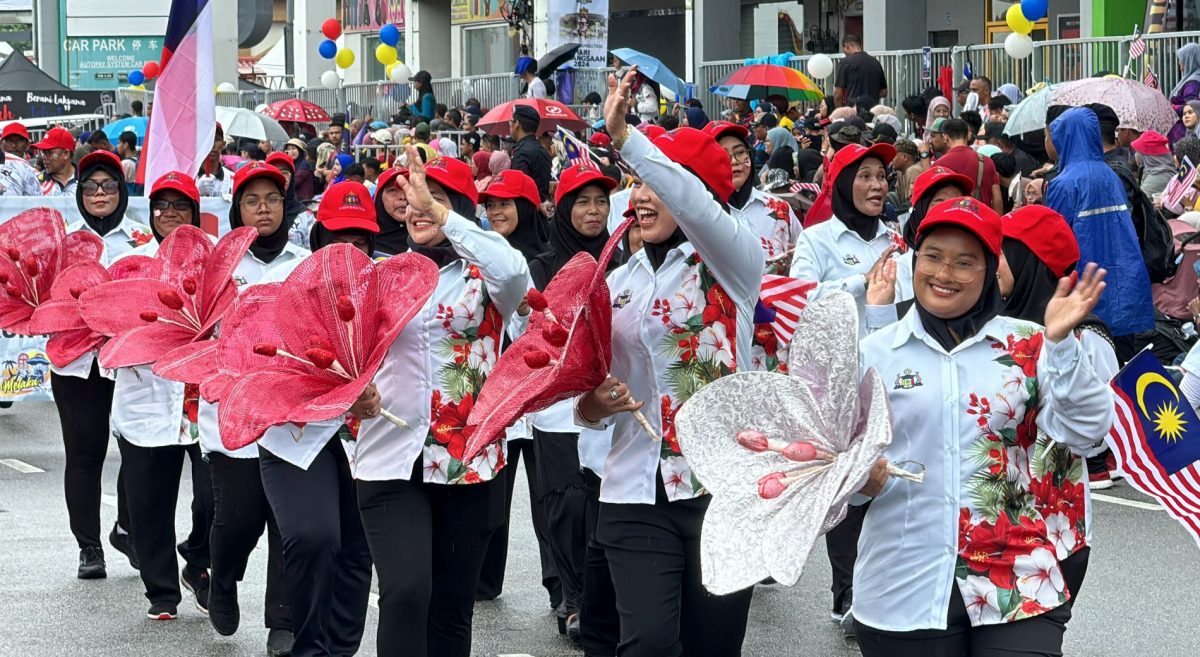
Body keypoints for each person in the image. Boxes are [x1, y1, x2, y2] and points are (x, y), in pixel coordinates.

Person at [852, 196, 1113, 657]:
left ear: (991, 270)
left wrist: (1061, 345)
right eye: (932, 256)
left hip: (1016, 573)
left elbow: (1084, 432)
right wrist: (858, 481)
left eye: (964, 262)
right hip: (903, 579)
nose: (944, 274)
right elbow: (838, 466)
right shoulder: (875, 352)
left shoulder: (1028, 344)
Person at [572, 70, 764, 657]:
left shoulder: (734, 265)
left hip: (721, 490)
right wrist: (592, 408)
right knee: (649, 644)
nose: (642, 195)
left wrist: (626, 136)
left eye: (654, 182)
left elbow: (696, 208)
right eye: (635, 182)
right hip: (634, 490)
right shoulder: (619, 281)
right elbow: (589, 394)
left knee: (713, 647)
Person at [352, 152, 527, 657]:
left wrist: (449, 220)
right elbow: (342, 357)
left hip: (467, 461)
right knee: (406, 592)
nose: (420, 208)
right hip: (389, 458)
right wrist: (352, 397)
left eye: (435, 198)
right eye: (411, 200)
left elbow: (516, 271)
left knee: (452, 607)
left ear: (462, 209)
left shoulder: (488, 276)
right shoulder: (377, 274)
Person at [257, 181, 378, 657]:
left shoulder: (387, 289)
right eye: (338, 240)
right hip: (296, 436)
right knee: (313, 536)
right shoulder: (285, 287)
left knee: (355, 549)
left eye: (360, 240)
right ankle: (307, 645)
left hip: (366, 437)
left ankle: (340, 649)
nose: (349, 251)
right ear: (319, 241)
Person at [205, 162, 306, 656]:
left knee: (287, 521)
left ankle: (282, 620)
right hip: (234, 410)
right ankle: (221, 578)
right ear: (236, 209)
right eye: (251, 199)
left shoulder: (306, 261)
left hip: (292, 413)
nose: (263, 207)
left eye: (272, 197)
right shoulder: (219, 267)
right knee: (239, 518)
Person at [524, 164, 621, 642]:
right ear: (562, 209)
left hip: (607, 406)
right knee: (566, 506)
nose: (593, 211)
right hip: (558, 408)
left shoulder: (622, 261)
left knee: (602, 504)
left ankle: (599, 597)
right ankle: (572, 596)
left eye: (600, 202)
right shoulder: (542, 267)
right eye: (582, 202)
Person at [112, 171, 213, 621]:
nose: (169, 213)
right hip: (147, 399)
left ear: (195, 213)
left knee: (217, 499)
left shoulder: (219, 266)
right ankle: (162, 592)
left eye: (180, 205)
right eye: (161, 206)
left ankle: (197, 558)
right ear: (150, 213)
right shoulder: (131, 265)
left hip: (204, 398)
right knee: (150, 501)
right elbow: (105, 329)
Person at [56, 150, 152, 580]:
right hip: (77, 365)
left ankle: (127, 529)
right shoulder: (65, 243)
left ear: (121, 191)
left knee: (138, 450)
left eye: (109, 185)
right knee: (84, 453)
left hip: (132, 361)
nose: (100, 194)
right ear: (80, 192)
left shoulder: (143, 240)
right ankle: (88, 546)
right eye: (91, 186)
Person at [474, 168, 559, 612]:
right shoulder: (482, 261)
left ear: (526, 208)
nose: (497, 212)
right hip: (495, 397)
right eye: (490, 205)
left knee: (549, 498)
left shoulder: (547, 260)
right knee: (491, 494)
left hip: (539, 398)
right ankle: (483, 578)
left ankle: (560, 589)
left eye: (505, 204)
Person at [1000, 205, 1121, 496]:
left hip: (1054, 507)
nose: (990, 263)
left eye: (1000, 253)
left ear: (1025, 260)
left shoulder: (1084, 335)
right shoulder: (994, 325)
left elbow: (1105, 421)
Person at [1045, 107, 1154, 361]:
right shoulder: (1111, 175)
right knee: (1123, 368)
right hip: (1123, 282)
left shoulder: (1064, 182)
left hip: (1086, 285)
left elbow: (1055, 238)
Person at [931, 118, 1003, 214]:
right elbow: (997, 200)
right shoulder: (986, 161)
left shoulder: (938, 166)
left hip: (952, 223)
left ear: (945, 137)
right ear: (969, 135)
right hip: (981, 222)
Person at [901, 166, 974, 251]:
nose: (950, 211)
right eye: (940, 202)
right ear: (920, 210)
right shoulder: (899, 262)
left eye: (958, 203)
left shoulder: (975, 252)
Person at [266, 151, 317, 249]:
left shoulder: (305, 217)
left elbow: (312, 254)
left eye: (284, 172)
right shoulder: (256, 212)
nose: (279, 176)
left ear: (292, 177)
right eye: (273, 171)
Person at [510, 104, 553, 203]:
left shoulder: (521, 152)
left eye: (510, 122)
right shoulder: (542, 150)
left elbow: (519, 189)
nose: (510, 126)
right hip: (542, 211)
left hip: (528, 210)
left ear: (516, 124)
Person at [834, 34, 887, 108]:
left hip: (853, 110)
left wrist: (839, 114)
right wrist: (869, 97)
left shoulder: (845, 62)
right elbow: (884, 92)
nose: (845, 54)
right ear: (861, 45)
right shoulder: (875, 62)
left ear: (847, 47)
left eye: (844, 51)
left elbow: (838, 95)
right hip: (873, 111)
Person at [33, 127, 80, 197]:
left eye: (49, 153)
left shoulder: (85, 180)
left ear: (66, 154)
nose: (44, 157)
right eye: (43, 152)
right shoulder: (36, 183)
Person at [1170, 43, 1200, 143]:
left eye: (1181, 59)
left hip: (1183, 133)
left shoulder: (1193, 83)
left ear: (1189, 59)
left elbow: (1192, 107)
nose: (1179, 62)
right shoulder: (1190, 79)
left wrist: (1172, 108)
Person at [1132, 130, 1175, 198]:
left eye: (1138, 152)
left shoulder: (1158, 177)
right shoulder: (1152, 170)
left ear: (1148, 157)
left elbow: (1141, 203)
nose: (1136, 155)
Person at [892, 140, 922, 208]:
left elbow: (911, 205)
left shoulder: (914, 171)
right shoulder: (900, 171)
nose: (891, 160)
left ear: (905, 157)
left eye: (893, 155)